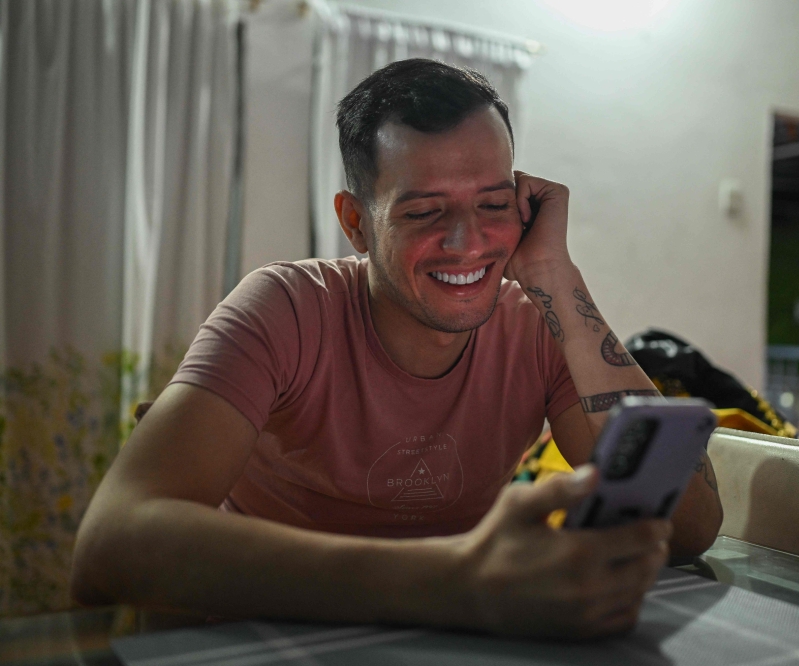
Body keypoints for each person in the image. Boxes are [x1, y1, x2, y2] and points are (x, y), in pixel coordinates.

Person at [71, 59, 722, 639]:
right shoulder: (285, 308)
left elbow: (689, 526)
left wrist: (556, 275)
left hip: (443, 637)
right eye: (424, 212)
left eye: (494, 204)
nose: (469, 243)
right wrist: (450, 579)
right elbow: (111, 543)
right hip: (260, 638)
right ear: (356, 222)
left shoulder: (535, 325)